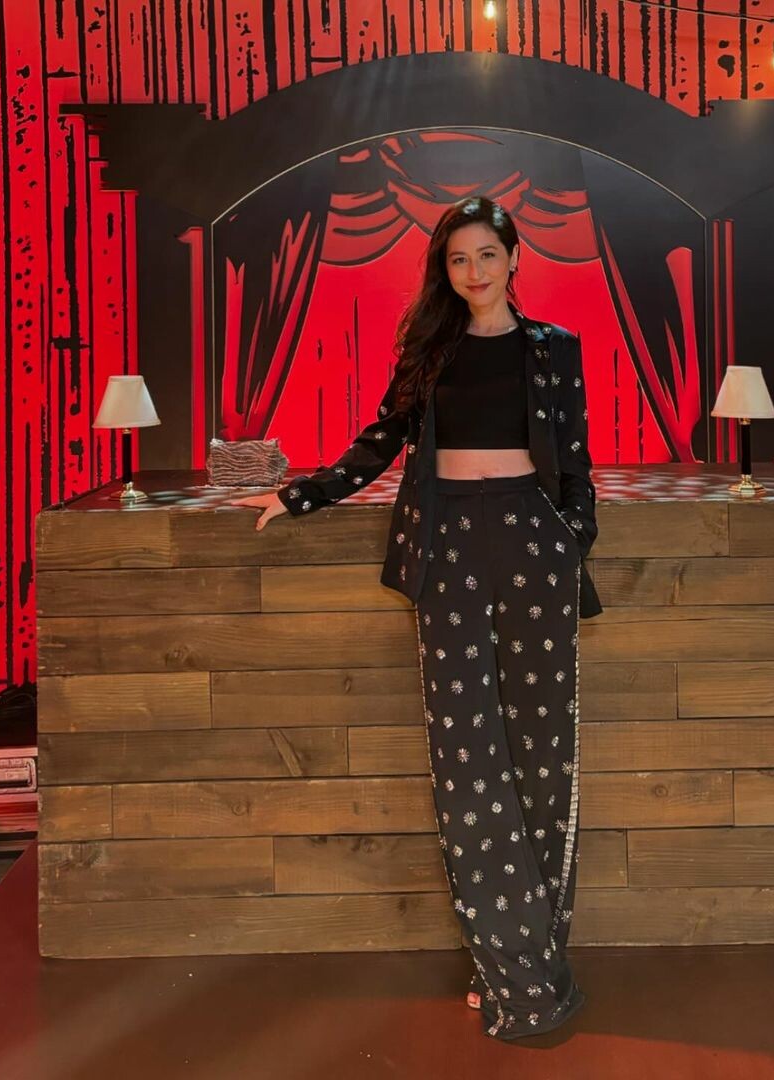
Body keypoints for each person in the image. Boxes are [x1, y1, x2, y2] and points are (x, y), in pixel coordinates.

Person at [229, 196, 601, 1040]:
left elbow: (575, 463)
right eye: (457, 259)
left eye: (486, 255)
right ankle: (512, 968)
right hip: (450, 550)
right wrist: (301, 494)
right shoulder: (430, 350)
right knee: (468, 760)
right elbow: (381, 441)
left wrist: (569, 542)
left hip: (533, 545)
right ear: (445, 269)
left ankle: (533, 961)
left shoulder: (554, 349)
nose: (473, 271)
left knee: (542, 755)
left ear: (514, 257)